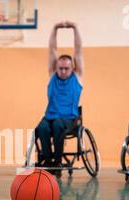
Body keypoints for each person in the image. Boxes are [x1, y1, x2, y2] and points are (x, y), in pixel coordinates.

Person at [35, 21, 84, 174]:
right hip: (50, 116)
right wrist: (55, 28)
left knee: (57, 125)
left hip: (69, 118)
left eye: (66, 68)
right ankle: (48, 162)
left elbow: (78, 51)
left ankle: (57, 162)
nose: (63, 71)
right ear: (56, 68)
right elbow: (52, 50)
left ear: (72, 68)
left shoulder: (78, 77)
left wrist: (75, 28)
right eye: (60, 68)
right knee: (41, 128)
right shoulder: (53, 76)